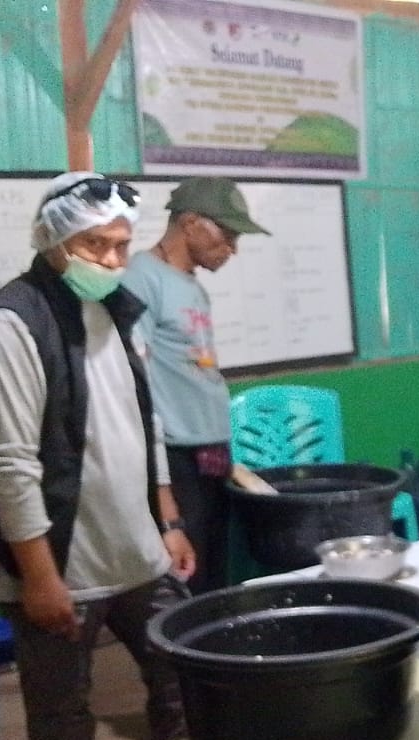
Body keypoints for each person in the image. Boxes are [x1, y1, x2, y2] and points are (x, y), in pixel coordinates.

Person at [0, 172, 285, 740]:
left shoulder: (119, 311)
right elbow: (7, 466)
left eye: (119, 245)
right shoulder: (6, 326)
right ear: (52, 240)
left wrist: (167, 518)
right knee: (63, 717)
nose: (107, 259)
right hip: (59, 563)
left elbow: (147, 419)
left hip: (139, 550)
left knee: (185, 687)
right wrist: (39, 577)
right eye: (92, 244)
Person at [122, 177, 268, 595]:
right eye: (228, 235)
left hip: (211, 451)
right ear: (190, 223)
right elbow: (135, 380)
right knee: (187, 578)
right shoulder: (141, 279)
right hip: (175, 454)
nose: (233, 249)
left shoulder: (190, 285)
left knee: (214, 574)